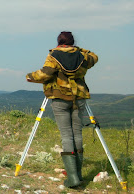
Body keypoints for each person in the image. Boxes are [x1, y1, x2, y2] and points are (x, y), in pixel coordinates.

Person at [26, 31, 98, 188]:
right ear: (72, 42)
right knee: (77, 134)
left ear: (59, 42)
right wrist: (77, 50)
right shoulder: (82, 55)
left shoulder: (53, 55)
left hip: (59, 97)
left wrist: (29, 76)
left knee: (67, 135)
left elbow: (45, 73)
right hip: (78, 97)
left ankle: (72, 178)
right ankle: (78, 175)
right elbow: (94, 57)